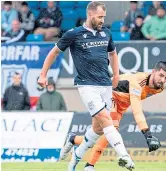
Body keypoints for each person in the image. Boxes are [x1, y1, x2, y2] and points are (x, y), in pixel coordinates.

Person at [37, 2, 134, 171]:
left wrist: (117, 75)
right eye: (100, 17)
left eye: (103, 17)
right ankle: (124, 156)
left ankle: (74, 156)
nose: (102, 20)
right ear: (90, 15)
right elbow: (54, 52)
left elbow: (113, 54)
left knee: (97, 130)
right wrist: (43, 74)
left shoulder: (106, 33)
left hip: (105, 84)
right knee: (106, 121)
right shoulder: (74, 34)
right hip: (87, 86)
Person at [60, 61, 166, 171]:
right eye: (161, 75)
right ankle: (89, 166)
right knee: (112, 129)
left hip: (121, 106)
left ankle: (73, 139)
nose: (162, 80)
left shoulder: (159, 88)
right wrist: (148, 134)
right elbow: (137, 110)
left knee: (99, 135)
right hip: (110, 96)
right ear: (153, 72)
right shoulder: (138, 82)